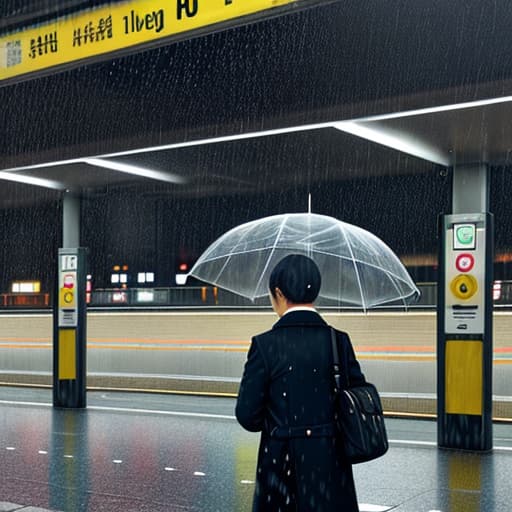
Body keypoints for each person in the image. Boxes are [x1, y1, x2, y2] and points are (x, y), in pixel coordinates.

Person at [235, 254, 366, 512]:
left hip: (280, 466)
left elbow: (248, 416)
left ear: (278, 293)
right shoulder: (338, 341)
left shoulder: (265, 345)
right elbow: (354, 398)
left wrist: (282, 422)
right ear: (314, 291)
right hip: (331, 463)